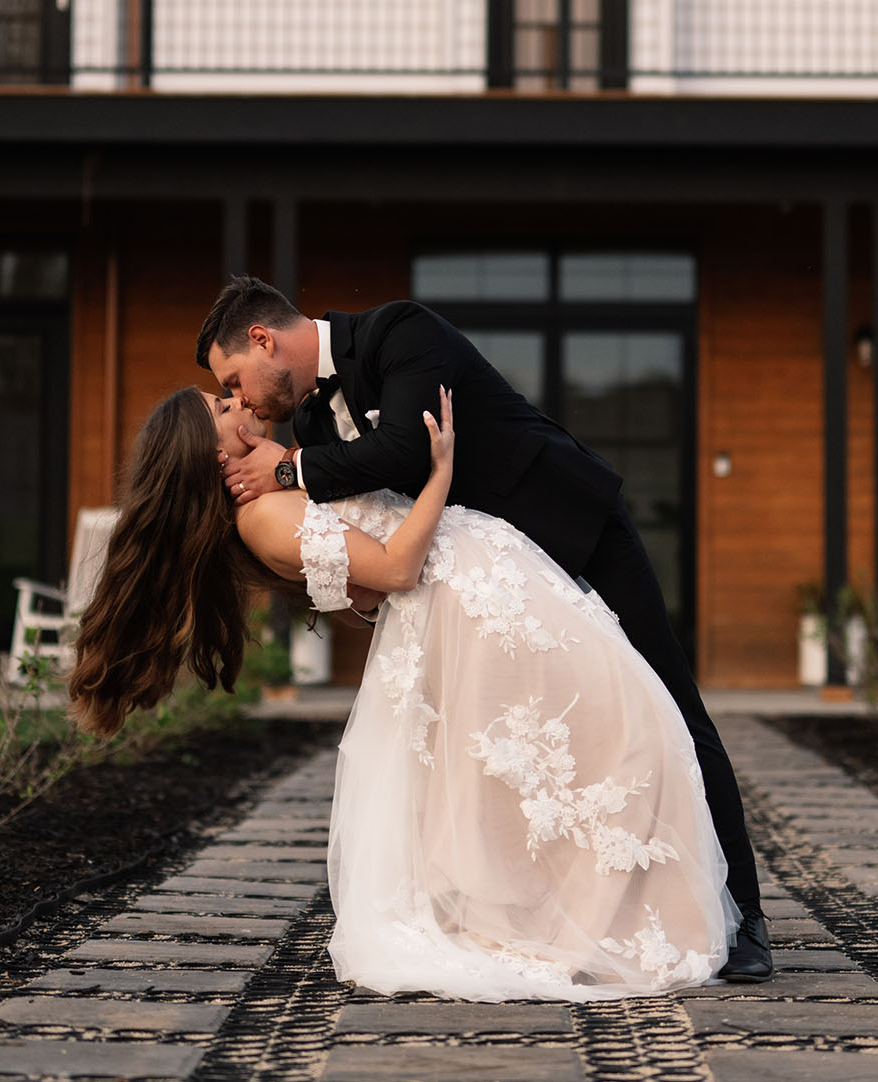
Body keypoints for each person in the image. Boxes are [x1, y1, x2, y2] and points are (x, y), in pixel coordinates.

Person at [69, 381, 738, 1000]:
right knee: (613, 731)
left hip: (486, 593)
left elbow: (356, 577)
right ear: (210, 451)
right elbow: (392, 567)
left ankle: (594, 917)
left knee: (594, 740)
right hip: (468, 607)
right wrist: (440, 472)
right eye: (221, 405)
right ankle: (582, 924)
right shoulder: (262, 519)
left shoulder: (277, 480)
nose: (238, 399)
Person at [198, 277, 770, 981]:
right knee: (540, 745)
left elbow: (408, 449)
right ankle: (586, 912)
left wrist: (287, 467)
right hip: (491, 591)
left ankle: (746, 913)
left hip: (570, 527)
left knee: (670, 701)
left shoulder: (397, 331)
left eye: (234, 379)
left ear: (263, 339)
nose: (244, 399)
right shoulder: (315, 427)